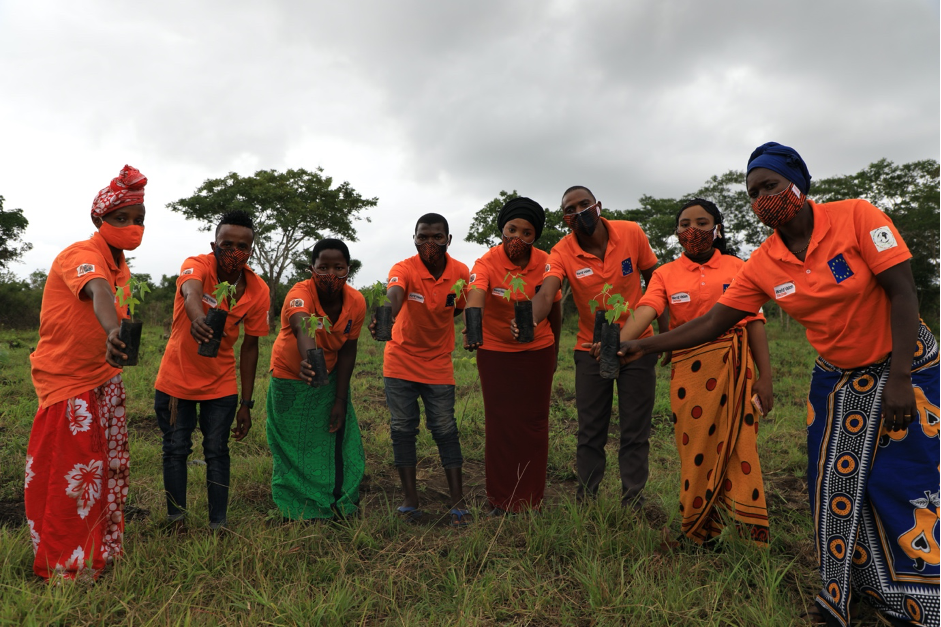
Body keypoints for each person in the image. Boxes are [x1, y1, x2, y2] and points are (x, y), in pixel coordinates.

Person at [618, 143, 939, 626]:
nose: (762, 197)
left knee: (903, 483)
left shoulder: (856, 216)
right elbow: (712, 323)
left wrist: (898, 376)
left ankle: (918, 601)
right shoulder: (763, 262)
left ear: (797, 183)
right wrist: (645, 345)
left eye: (770, 185)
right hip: (838, 380)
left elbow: (903, 291)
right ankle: (847, 592)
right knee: (832, 485)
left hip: (905, 367)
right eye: (752, 193)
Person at [604, 198, 773, 546]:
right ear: (676, 232)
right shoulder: (665, 274)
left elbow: (754, 321)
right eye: (684, 224)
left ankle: (746, 533)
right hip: (689, 375)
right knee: (692, 448)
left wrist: (765, 376)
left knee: (741, 448)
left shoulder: (739, 267)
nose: (692, 230)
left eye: (701, 223)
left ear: (717, 228)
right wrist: (618, 343)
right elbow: (647, 309)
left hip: (736, 370)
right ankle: (698, 530)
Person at [25, 165, 146, 581]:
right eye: (121, 219)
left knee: (107, 470)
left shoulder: (122, 266)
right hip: (68, 382)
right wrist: (113, 330)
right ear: (99, 220)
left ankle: (101, 551)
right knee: (73, 474)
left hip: (103, 378)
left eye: (138, 219)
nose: (132, 227)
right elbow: (97, 292)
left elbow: (114, 295)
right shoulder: (83, 254)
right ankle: (64, 564)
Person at [522, 186, 666, 509]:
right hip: (590, 348)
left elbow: (657, 283)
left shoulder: (632, 233)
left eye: (584, 204)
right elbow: (547, 293)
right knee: (590, 430)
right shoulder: (561, 252)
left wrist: (666, 339)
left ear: (598, 205)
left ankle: (634, 499)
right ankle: (586, 500)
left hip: (638, 345)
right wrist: (532, 317)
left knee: (635, 427)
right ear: (566, 219)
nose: (580, 212)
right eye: (571, 209)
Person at [153, 210, 269, 531]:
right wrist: (197, 318)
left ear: (251, 250)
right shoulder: (198, 264)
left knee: (217, 450)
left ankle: (218, 524)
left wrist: (247, 403)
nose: (234, 251)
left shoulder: (257, 290)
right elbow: (190, 291)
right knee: (175, 449)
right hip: (176, 379)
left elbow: (250, 346)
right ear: (213, 244)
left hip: (221, 383)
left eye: (243, 246)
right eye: (226, 243)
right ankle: (176, 519)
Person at [369, 213, 471, 526]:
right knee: (403, 429)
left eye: (437, 237)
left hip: (439, 362)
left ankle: (458, 503)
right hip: (400, 360)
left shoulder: (460, 273)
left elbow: (461, 307)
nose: (429, 243)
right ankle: (410, 501)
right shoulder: (404, 268)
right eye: (423, 237)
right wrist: (386, 315)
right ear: (414, 239)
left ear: (448, 240)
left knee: (444, 428)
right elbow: (395, 294)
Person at [463, 197, 563, 515]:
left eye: (527, 232)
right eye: (512, 229)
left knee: (534, 423)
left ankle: (531, 497)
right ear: (502, 229)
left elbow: (551, 301)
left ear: (536, 236)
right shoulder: (486, 263)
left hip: (538, 351)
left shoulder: (547, 262)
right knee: (501, 422)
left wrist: (554, 346)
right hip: (495, 352)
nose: (518, 237)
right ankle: (501, 498)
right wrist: (472, 327)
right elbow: (476, 295)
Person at [267, 239, 366, 520]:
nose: (330, 274)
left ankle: (338, 499)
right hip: (291, 376)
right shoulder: (300, 293)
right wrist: (311, 359)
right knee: (293, 444)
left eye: (338, 267)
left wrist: (340, 398)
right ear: (312, 268)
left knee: (334, 437)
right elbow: (301, 325)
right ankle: (297, 505)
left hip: (331, 377)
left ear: (349, 269)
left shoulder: (356, 302)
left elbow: (349, 350)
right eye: (323, 267)